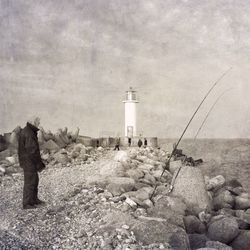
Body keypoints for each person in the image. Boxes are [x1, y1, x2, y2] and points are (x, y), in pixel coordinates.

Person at [18, 117, 46, 209]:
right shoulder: (29, 133)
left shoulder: (28, 131)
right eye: (38, 121)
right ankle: (27, 203)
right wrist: (39, 164)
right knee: (30, 182)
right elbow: (32, 151)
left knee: (34, 180)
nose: (39, 123)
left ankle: (33, 200)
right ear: (33, 122)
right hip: (29, 162)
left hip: (28, 161)